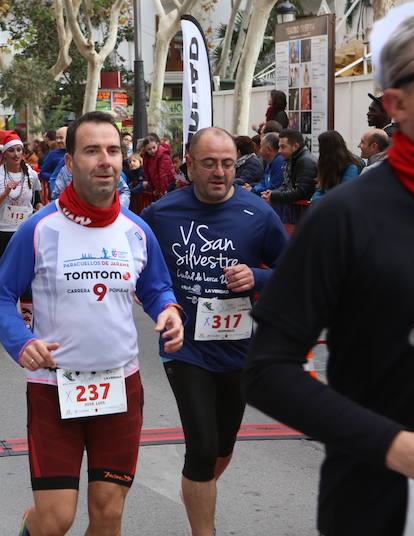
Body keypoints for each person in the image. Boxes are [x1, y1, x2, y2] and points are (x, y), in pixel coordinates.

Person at [244, 0, 414, 536]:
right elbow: (267, 369)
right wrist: (398, 447)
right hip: (380, 511)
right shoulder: (345, 219)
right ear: (400, 103)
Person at [0, 111, 184, 536]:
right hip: (54, 388)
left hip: (119, 385)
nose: (105, 160)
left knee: (108, 513)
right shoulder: (40, 229)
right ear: (71, 162)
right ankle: (31, 524)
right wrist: (21, 342)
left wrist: (168, 310)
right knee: (55, 519)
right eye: (91, 151)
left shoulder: (137, 230)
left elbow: (156, 287)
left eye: (112, 150)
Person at [142, 127, 287, 536]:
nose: (220, 172)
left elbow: (294, 271)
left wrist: (256, 277)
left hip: (239, 347)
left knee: (222, 447)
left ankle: (197, 486)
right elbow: (138, 266)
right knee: (203, 448)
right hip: (184, 347)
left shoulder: (257, 214)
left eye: (227, 163)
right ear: (189, 164)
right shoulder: (162, 214)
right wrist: (151, 296)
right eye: (209, 163)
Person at [0, 131, 41, 322]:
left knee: (27, 277)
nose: (16, 154)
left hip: (24, 233)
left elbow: (37, 201)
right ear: (4, 154)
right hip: (1, 234)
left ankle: (26, 320)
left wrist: (40, 209)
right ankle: (1, 312)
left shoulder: (31, 174)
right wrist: (6, 192)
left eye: (19, 150)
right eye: (11, 150)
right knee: (5, 278)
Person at [260, 129, 317, 206]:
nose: (279, 151)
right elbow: (286, 185)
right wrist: (272, 193)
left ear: (295, 146)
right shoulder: (291, 159)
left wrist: (274, 196)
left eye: (283, 147)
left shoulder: (305, 161)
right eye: (279, 147)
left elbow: (301, 192)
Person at [310, 130, 361, 202]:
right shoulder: (326, 165)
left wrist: (318, 200)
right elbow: (320, 189)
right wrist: (315, 199)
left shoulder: (351, 168)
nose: (319, 150)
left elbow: (343, 194)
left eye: (320, 146)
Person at [141, 133, 176, 198]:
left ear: (157, 144)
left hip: (167, 190)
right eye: (149, 149)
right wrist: (153, 189)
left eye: (154, 147)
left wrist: (164, 191)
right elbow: (148, 175)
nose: (152, 150)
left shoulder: (163, 156)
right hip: (158, 191)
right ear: (145, 149)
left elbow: (164, 176)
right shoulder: (147, 158)